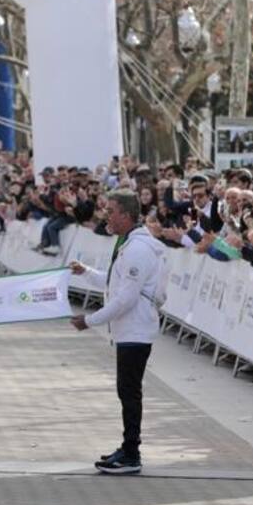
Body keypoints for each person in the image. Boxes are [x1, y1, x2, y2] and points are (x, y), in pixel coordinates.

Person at [69, 189, 166, 475]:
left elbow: (126, 298)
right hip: (128, 330)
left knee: (129, 392)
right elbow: (113, 282)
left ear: (126, 214)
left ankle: (132, 454)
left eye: (110, 211)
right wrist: (86, 271)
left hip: (136, 329)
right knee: (126, 391)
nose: (106, 216)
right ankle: (127, 447)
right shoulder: (127, 244)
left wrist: (90, 320)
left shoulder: (138, 249)